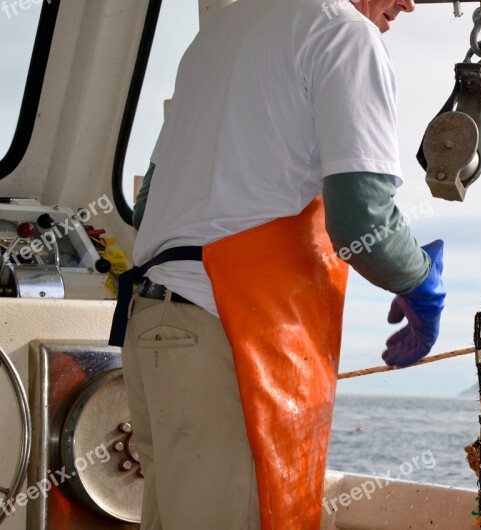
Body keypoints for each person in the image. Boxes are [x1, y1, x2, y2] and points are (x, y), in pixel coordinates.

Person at [109, 0, 445, 528]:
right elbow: (362, 220)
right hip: (233, 335)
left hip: (156, 325)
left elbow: (150, 203)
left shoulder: (216, 37)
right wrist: (420, 282)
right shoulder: (345, 35)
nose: (409, 3)